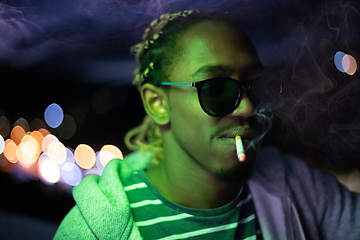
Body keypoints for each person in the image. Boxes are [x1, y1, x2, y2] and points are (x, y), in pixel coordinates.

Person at [54, 10, 360, 239]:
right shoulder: (90, 231)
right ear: (157, 103)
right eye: (215, 88)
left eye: (256, 85)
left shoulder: (299, 187)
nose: (248, 107)